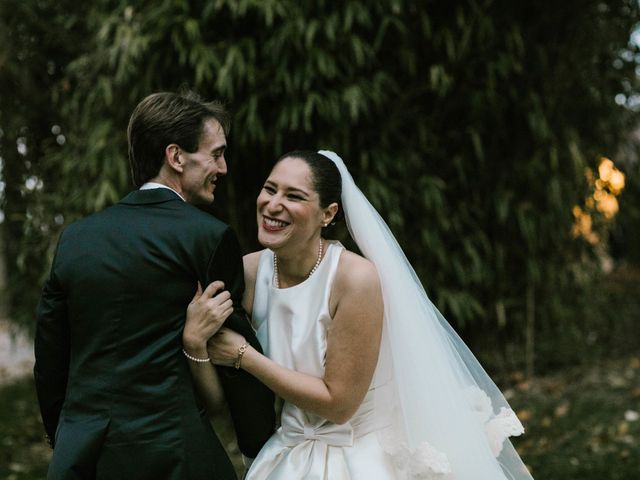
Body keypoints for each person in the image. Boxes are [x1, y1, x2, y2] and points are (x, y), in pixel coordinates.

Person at [186, 150, 535, 479]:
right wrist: (194, 341)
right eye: (270, 189)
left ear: (328, 213)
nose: (273, 204)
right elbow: (221, 402)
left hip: (362, 452)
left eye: (294, 196)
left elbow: (339, 404)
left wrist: (244, 357)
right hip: (289, 452)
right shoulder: (248, 272)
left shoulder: (355, 279)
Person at [33, 91, 275, 480]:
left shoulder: (76, 239)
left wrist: (65, 437)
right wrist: (260, 451)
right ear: (176, 156)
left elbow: (50, 356)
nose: (224, 168)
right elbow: (236, 360)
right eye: (215, 154)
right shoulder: (208, 237)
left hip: (82, 458)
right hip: (173, 457)